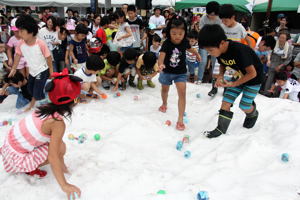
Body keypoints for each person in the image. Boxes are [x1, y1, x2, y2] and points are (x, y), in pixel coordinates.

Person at [0, 68, 82, 199]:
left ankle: (55, 165)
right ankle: (29, 168)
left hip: (9, 146)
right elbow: (53, 156)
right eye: (77, 99)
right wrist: (64, 185)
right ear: (71, 103)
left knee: (59, 144)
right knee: (60, 148)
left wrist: (63, 167)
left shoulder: (44, 108)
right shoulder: (57, 123)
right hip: (17, 159)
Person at [198, 24, 263, 138]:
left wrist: (234, 83)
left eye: (211, 50)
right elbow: (223, 63)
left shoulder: (240, 51)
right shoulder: (220, 51)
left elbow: (252, 73)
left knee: (244, 105)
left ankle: (252, 113)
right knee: (226, 102)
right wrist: (220, 76)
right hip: (238, 77)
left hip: (253, 79)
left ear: (222, 43)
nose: (209, 53)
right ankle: (221, 129)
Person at [158, 16, 201, 131]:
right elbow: (161, 56)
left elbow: (190, 48)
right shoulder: (166, 43)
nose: (177, 36)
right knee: (165, 90)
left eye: (180, 34)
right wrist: (160, 64)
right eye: (174, 33)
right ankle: (164, 103)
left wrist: (196, 53)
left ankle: (180, 119)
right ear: (169, 32)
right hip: (166, 72)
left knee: (182, 93)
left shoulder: (185, 42)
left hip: (180, 73)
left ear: (184, 33)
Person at [8, 15, 54, 112]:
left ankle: (43, 105)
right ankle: (40, 98)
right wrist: (13, 68)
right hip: (32, 71)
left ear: (31, 31)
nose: (19, 34)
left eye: (21, 31)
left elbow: (48, 57)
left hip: (42, 70)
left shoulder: (40, 43)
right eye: (18, 30)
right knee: (30, 89)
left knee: (37, 90)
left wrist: (51, 71)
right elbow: (17, 55)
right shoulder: (21, 43)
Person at [198, 1, 222, 95]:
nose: (211, 17)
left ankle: (213, 82)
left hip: (215, 45)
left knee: (215, 63)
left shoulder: (219, 19)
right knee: (203, 61)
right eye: (210, 14)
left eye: (213, 15)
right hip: (205, 42)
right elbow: (201, 30)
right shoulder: (204, 18)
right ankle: (199, 79)